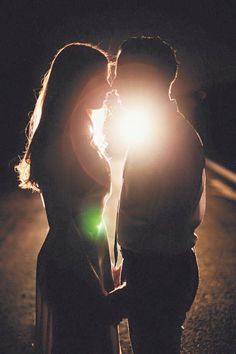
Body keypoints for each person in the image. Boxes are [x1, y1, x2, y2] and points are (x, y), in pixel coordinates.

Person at [15, 43, 120, 354]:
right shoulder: (61, 139)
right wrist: (93, 286)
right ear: (79, 81)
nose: (109, 86)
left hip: (86, 256)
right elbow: (63, 222)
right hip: (72, 262)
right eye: (102, 77)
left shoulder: (81, 131)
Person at [114, 36, 206, 353]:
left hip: (159, 273)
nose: (114, 83)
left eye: (122, 71)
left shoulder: (171, 138)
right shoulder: (158, 130)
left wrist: (138, 284)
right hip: (153, 268)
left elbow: (163, 221)